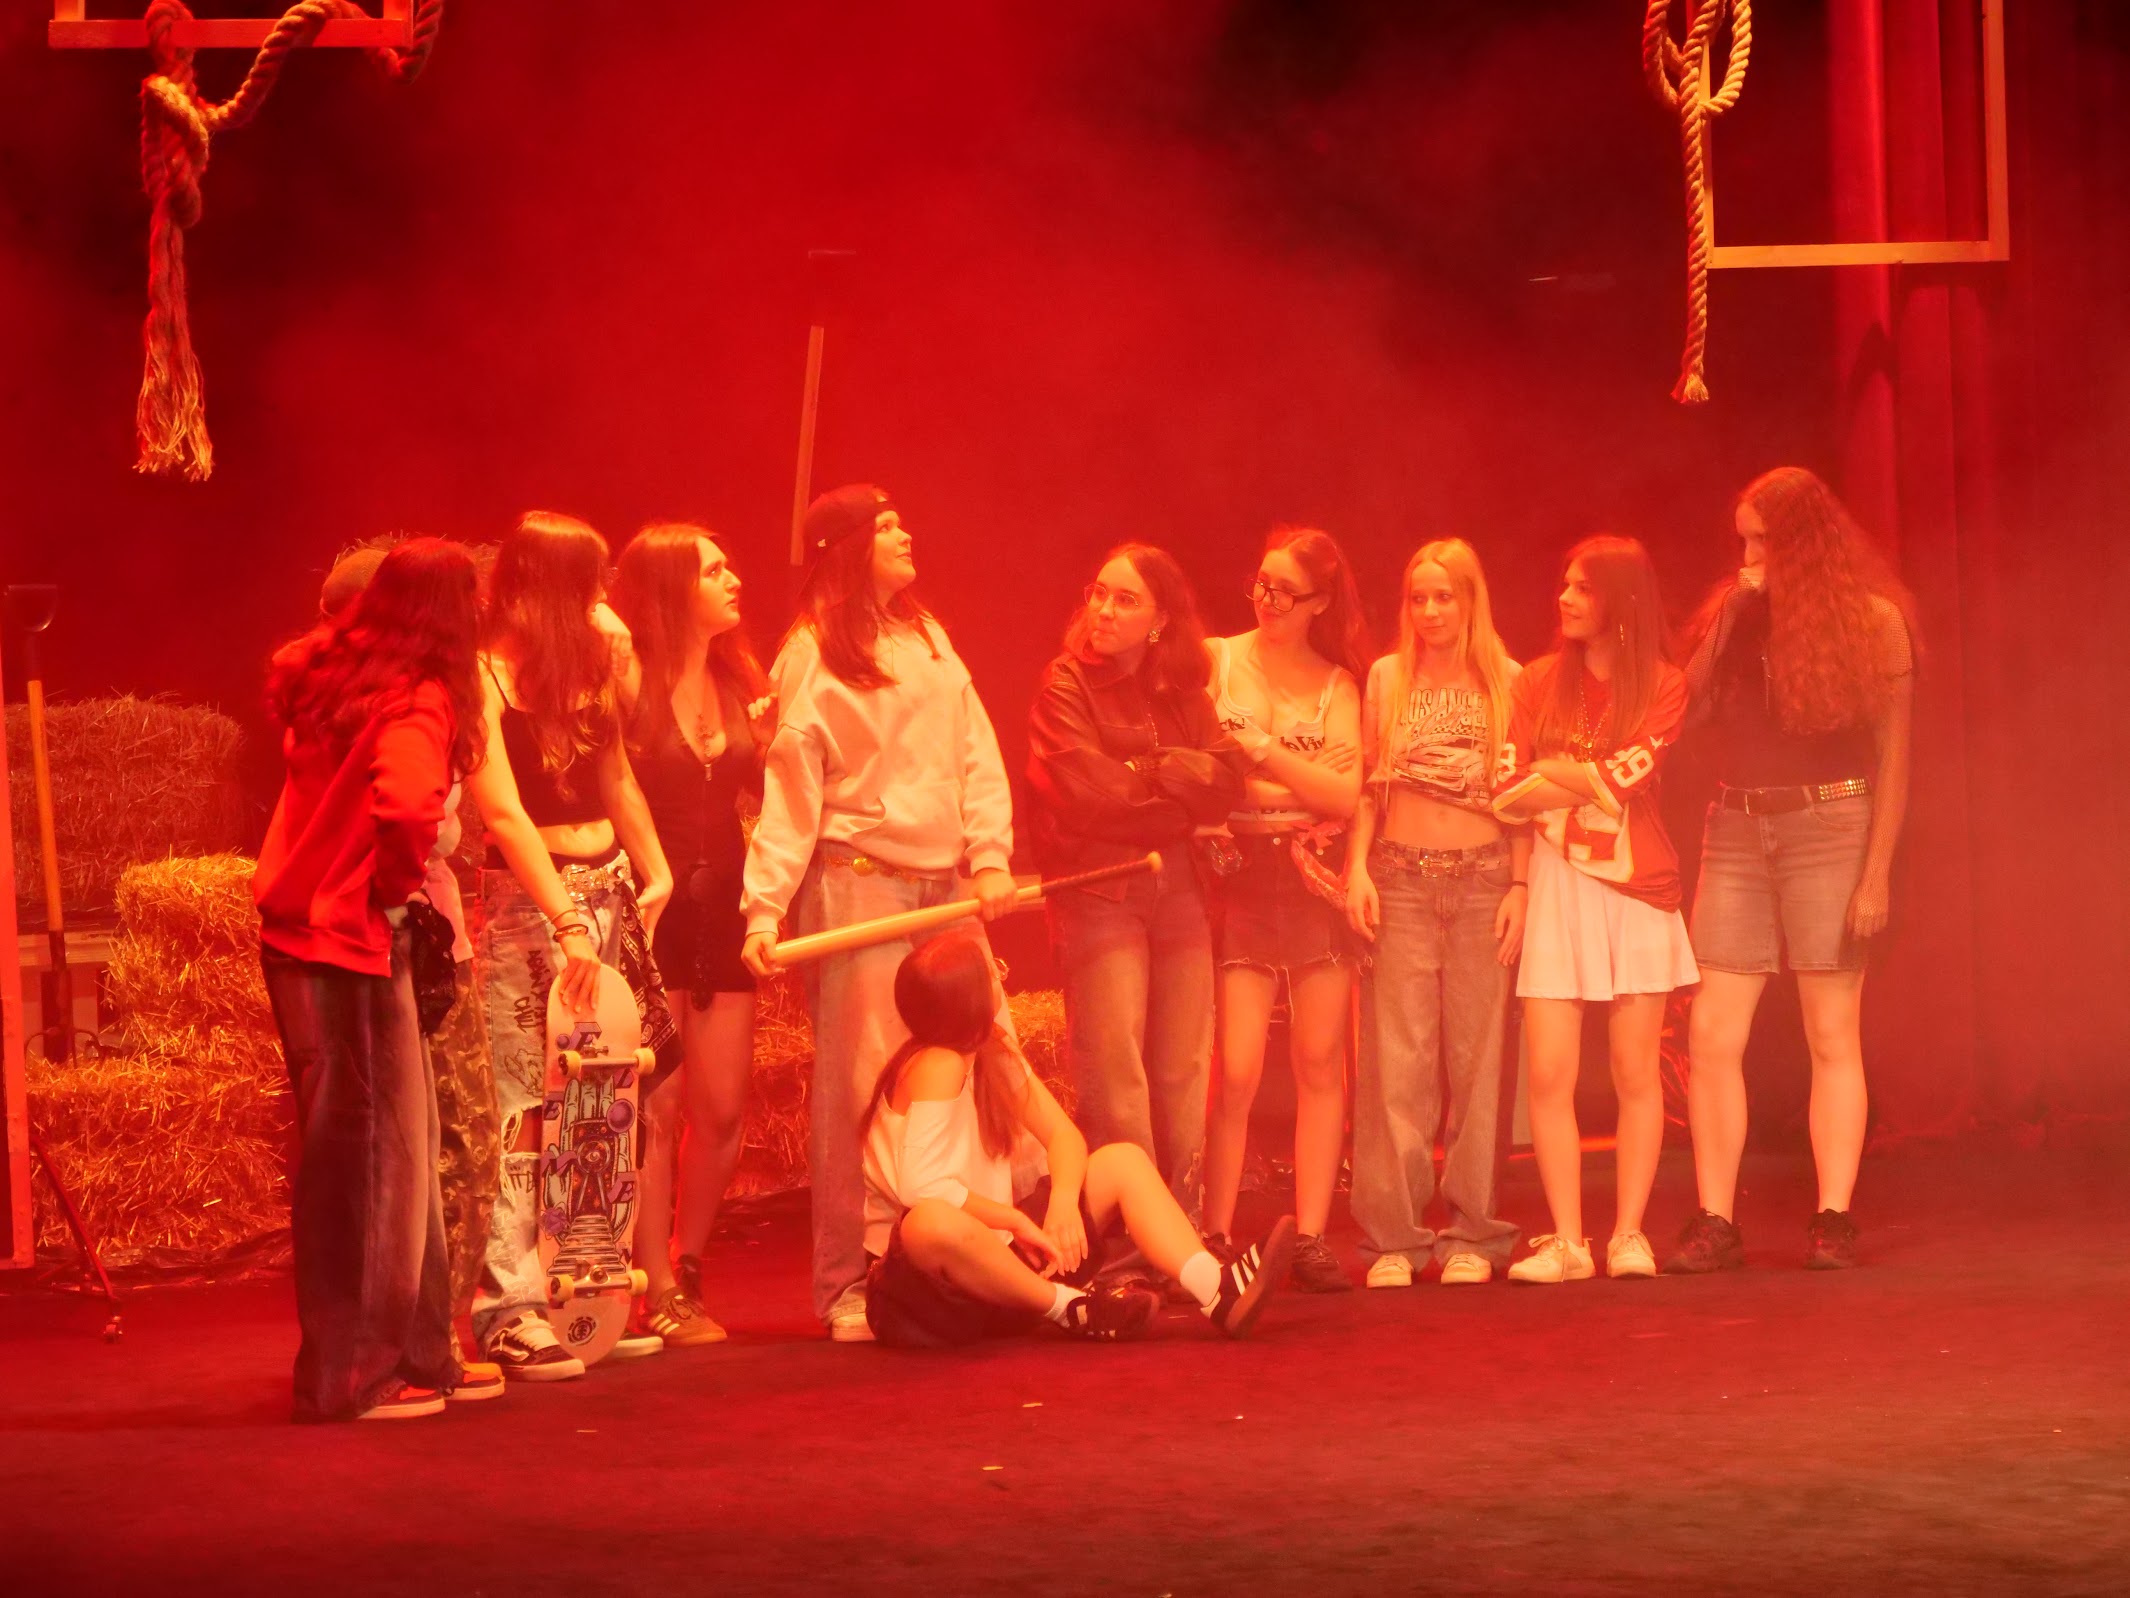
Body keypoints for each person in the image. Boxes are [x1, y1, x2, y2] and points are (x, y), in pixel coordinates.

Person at [740, 485, 1018, 1341]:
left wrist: (990, 855)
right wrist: (764, 909)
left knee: (988, 1056)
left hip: (945, 888)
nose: (905, 533)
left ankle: (988, 1252)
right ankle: (847, 1281)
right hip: (860, 882)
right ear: (850, 546)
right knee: (859, 1085)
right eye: (886, 525)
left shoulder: (928, 636)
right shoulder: (811, 653)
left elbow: (975, 751)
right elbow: (791, 790)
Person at [255, 536, 500, 1420]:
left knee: (390, 1150)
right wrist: (394, 890)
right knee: (371, 1164)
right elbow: (405, 803)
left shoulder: (330, 677)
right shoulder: (416, 698)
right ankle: (357, 1373)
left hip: (302, 933)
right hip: (351, 941)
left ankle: (418, 1348)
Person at [1669, 468, 1916, 1273]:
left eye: (1762, 542)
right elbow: (1683, 708)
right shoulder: (1738, 615)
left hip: (1831, 824)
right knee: (1712, 1032)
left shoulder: (1873, 623)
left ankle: (1833, 1216)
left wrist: (1876, 873)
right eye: (1742, 540)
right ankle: (1715, 1220)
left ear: (1802, 545)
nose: (1748, 556)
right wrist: (1730, 612)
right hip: (1737, 826)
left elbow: (1896, 757)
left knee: (1830, 1029)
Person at [466, 510, 678, 1379]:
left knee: (600, 1093)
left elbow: (615, 774)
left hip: (603, 887)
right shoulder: (483, 673)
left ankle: (583, 1290)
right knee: (525, 1097)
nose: (599, 603)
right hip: (529, 902)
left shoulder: (587, 665)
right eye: (586, 587)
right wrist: (563, 918)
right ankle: (509, 1305)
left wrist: (655, 869)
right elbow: (502, 810)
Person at [861, 933, 1298, 1346]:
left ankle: (1216, 1289)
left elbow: (1063, 1136)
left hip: (1006, 1268)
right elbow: (921, 1189)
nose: (1000, 978)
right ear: (970, 997)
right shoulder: (936, 1064)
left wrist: (1064, 1202)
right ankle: (1069, 1307)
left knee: (1123, 1161)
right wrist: (1014, 1221)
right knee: (928, 1222)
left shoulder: (990, 1049)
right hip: (935, 1291)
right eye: (992, 973)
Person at [1494, 535, 1698, 1284]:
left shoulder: (1665, 684)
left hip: (1636, 889)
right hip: (1555, 886)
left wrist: (1561, 773)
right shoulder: (1536, 681)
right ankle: (1568, 1241)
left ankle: (1629, 1234)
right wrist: (1579, 779)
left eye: (1583, 588)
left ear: (1622, 600)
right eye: (1565, 584)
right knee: (1550, 1073)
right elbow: (1506, 790)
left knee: (1634, 1070)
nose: (1565, 599)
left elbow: (1624, 779)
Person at [1025, 544, 1245, 1227]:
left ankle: (1180, 1232)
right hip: (1099, 888)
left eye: (1124, 600)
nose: (1103, 609)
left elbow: (1227, 782)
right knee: (1115, 1070)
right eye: (1098, 593)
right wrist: (1175, 784)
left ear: (1160, 620)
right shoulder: (1064, 684)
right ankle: (1133, 1237)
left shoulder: (1183, 692)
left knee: (1183, 1068)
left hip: (1181, 887)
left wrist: (1146, 773)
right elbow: (1090, 796)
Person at [1345, 539, 1527, 1288]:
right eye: (1418, 598)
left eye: (1444, 596)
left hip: (1483, 877)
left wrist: (1520, 885)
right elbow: (1369, 783)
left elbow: (1520, 794)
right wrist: (1357, 867)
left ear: (1470, 599)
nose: (1429, 611)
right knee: (1398, 1060)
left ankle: (1475, 1233)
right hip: (1402, 878)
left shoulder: (1508, 679)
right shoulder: (1388, 676)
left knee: (1479, 1061)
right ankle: (1394, 1235)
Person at [610, 523, 773, 1344]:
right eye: (713, 569)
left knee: (723, 1108)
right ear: (672, 588)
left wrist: (772, 750)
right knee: (659, 1104)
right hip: (651, 910)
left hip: (724, 909)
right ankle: (658, 1284)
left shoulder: (740, 681)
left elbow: (771, 794)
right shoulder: (628, 679)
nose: (732, 578)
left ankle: (691, 1260)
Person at [1199, 527, 1368, 1293]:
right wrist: (1296, 778)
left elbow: (1344, 796)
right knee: (1235, 1067)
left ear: (1320, 603)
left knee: (1319, 1060)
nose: (1266, 600)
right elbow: (1214, 782)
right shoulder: (1218, 659)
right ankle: (1214, 1230)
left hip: (1312, 876)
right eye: (1260, 584)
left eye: (1284, 592)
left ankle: (1309, 1234)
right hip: (1238, 872)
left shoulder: (1338, 686)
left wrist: (1261, 749)